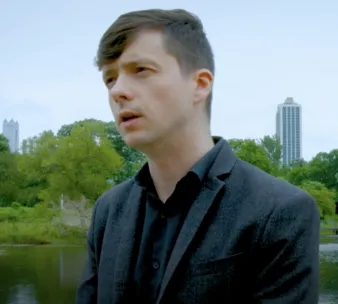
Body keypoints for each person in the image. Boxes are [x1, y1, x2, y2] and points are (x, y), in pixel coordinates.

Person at [75, 8, 320, 304]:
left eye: (140, 70)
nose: (118, 91)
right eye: (110, 79)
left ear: (200, 84)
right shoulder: (107, 211)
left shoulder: (281, 212)